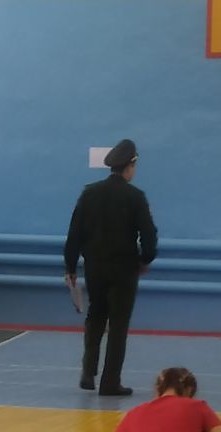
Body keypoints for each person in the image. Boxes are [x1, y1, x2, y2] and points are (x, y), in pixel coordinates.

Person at [63, 138, 159, 397]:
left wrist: (70, 267)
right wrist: (145, 260)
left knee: (95, 316)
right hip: (124, 270)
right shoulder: (135, 197)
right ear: (130, 166)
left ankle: (88, 370)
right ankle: (110, 382)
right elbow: (149, 235)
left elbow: (74, 233)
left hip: (95, 267)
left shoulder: (89, 193)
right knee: (118, 325)